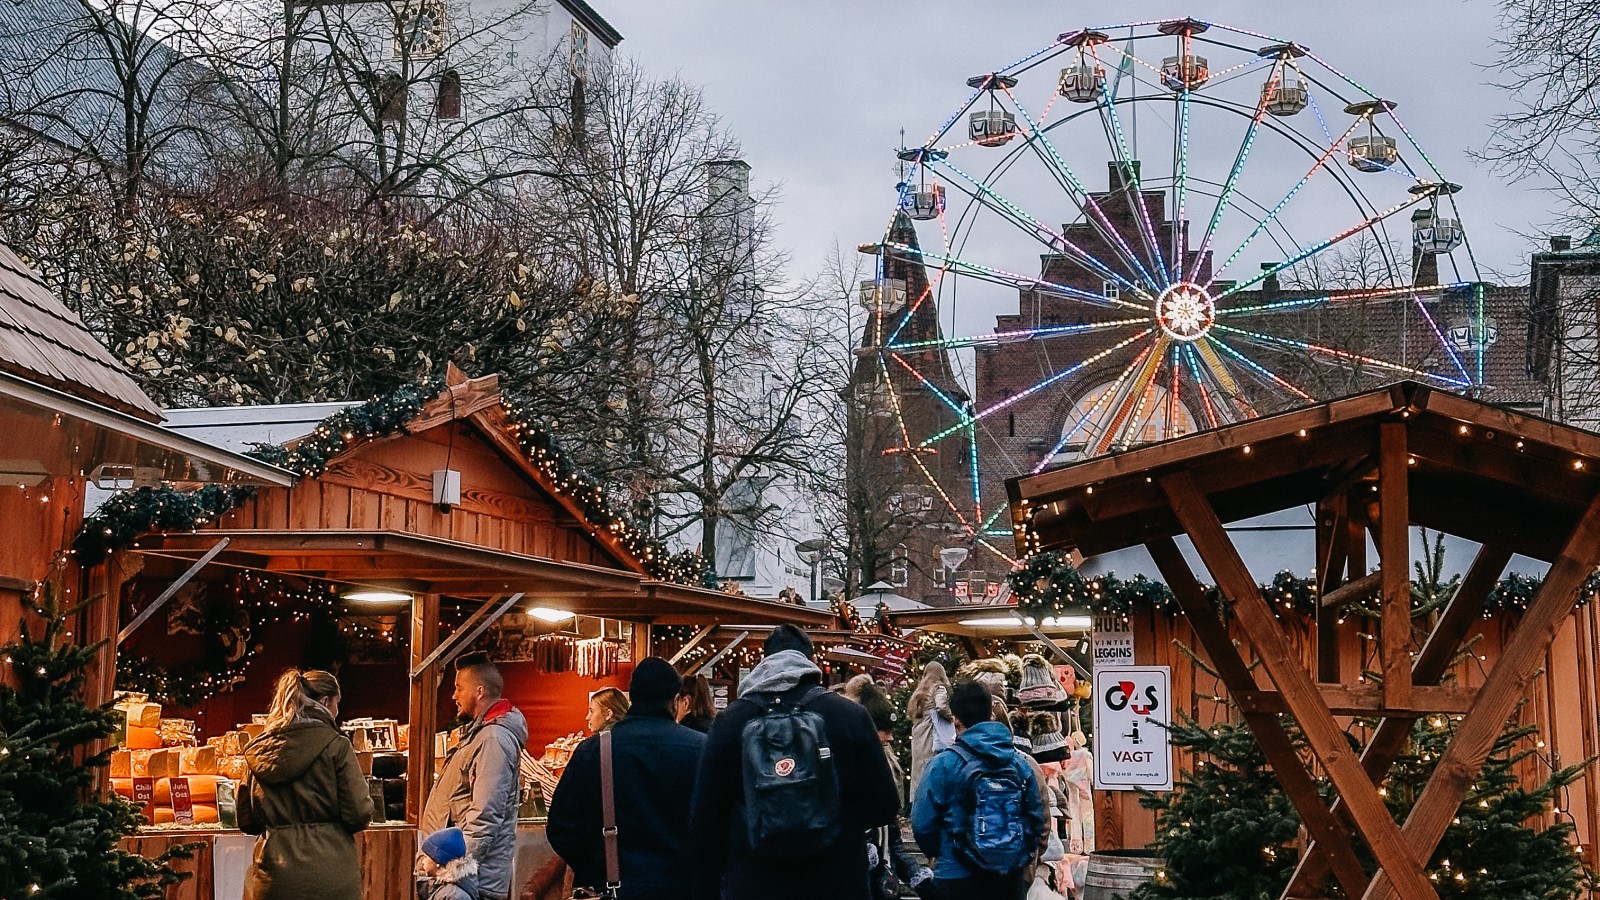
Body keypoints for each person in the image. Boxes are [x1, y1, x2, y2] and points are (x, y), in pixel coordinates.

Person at [689, 624, 901, 900]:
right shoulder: (849, 716)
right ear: (811, 661)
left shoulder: (730, 721)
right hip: (836, 881)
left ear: (764, 661)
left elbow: (705, 819)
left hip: (756, 882)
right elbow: (884, 806)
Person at [549, 657, 706, 900]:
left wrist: (596, 868)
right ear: (675, 701)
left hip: (613, 887)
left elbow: (561, 826)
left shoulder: (594, 750)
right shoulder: (701, 749)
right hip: (683, 886)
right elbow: (721, 822)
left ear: (632, 696)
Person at [238, 669, 373, 900]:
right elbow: (358, 813)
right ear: (325, 701)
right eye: (336, 704)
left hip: (274, 879)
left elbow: (246, 820)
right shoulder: (337, 746)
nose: (337, 711)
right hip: (332, 877)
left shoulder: (259, 751)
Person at [912, 680, 1047, 900]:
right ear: (991, 714)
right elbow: (1036, 817)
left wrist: (942, 852)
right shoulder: (1020, 764)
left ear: (956, 721)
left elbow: (922, 824)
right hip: (1009, 877)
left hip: (956, 875)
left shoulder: (943, 764)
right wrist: (1020, 857)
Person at [419, 653, 528, 900]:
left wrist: (452, 869)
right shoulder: (480, 735)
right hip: (462, 881)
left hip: (470, 884)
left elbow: (485, 816)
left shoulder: (493, 740)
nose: (454, 696)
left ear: (479, 691)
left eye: (459, 688)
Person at [856, 681, 933, 900]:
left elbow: (893, 840)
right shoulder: (853, 770)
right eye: (884, 730)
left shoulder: (887, 766)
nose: (890, 738)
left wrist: (920, 878)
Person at [908, 661, 954, 796]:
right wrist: (952, 717)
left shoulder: (919, 693)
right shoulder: (938, 688)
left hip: (918, 737)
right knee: (932, 769)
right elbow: (941, 706)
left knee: (918, 771)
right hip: (931, 736)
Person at [420, 827, 480, 900]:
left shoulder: (454, 896)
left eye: (426, 857)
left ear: (438, 861)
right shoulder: (447, 887)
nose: (423, 862)